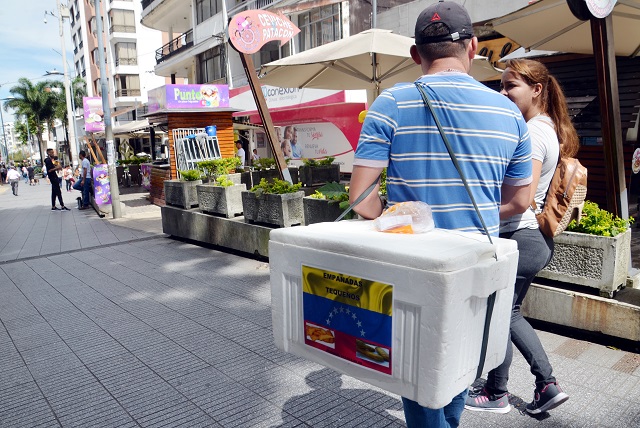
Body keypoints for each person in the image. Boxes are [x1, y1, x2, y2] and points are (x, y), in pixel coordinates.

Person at [348, 2, 533, 426]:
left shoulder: (389, 104)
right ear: (472, 46)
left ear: (416, 54)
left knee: (418, 369)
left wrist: (392, 217)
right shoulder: (508, 113)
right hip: (478, 262)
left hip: (414, 264)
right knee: (460, 364)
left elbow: (360, 200)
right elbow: (519, 202)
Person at [464, 59, 576, 416]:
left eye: (511, 86)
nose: (503, 92)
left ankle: (501, 390)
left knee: (503, 315)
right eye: (502, 85)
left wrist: (473, 216)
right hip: (530, 239)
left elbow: (520, 200)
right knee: (505, 313)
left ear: (537, 90)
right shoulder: (542, 127)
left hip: (520, 236)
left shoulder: (533, 133)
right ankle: (544, 386)